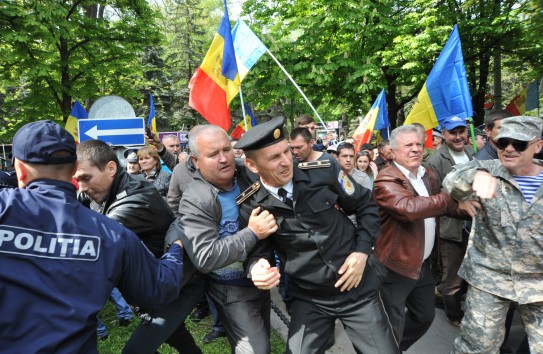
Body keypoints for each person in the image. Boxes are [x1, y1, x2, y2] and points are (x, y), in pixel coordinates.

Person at [0, 120, 184, 353]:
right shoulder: (112, 234)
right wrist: (177, 245)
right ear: (75, 167)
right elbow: (159, 290)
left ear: (20, 169)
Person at [235, 117, 399, 354]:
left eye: (286, 152)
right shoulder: (251, 204)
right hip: (310, 300)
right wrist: (256, 269)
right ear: (252, 166)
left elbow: (366, 205)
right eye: (274, 158)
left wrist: (362, 252)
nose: (285, 162)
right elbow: (257, 255)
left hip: (358, 291)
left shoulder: (324, 171)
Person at [74, 139, 201, 354]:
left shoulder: (137, 199)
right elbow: (71, 202)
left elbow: (97, 240)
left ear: (111, 168)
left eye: (86, 178)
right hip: (153, 285)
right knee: (178, 339)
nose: (83, 187)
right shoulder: (102, 190)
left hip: (178, 285)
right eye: (78, 180)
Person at [167, 124, 278, 354]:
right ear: (196, 161)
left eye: (227, 150)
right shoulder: (194, 200)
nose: (224, 158)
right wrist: (253, 232)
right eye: (213, 154)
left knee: (262, 340)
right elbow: (205, 257)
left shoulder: (247, 173)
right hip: (231, 289)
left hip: (260, 281)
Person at [443, 116, 543, 354]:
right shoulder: (487, 169)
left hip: (538, 283)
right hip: (489, 278)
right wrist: (475, 178)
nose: (509, 149)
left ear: (537, 146)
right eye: (502, 143)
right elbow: (452, 180)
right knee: (477, 348)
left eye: (519, 144)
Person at [370, 124, 467, 351]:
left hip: (422, 266)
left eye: (418, 144)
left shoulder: (427, 174)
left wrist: (466, 208)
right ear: (392, 152)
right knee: (391, 323)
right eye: (408, 145)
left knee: (424, 316)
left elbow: (440, 206)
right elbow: (408, 208)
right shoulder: (386, 179)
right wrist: (449, 200)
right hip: (394, 267)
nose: (415, 149)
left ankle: (390, 349)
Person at [425, 116, 474, 325]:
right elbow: (434, 198)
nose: (458, 136)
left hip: (475, 225)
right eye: (453, 132)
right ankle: (454, 314)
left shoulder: (473, 154)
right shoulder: (435, 162)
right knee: (452, 277)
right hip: (450, 227)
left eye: (461, 131)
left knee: (473, 272)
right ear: (443, 135)